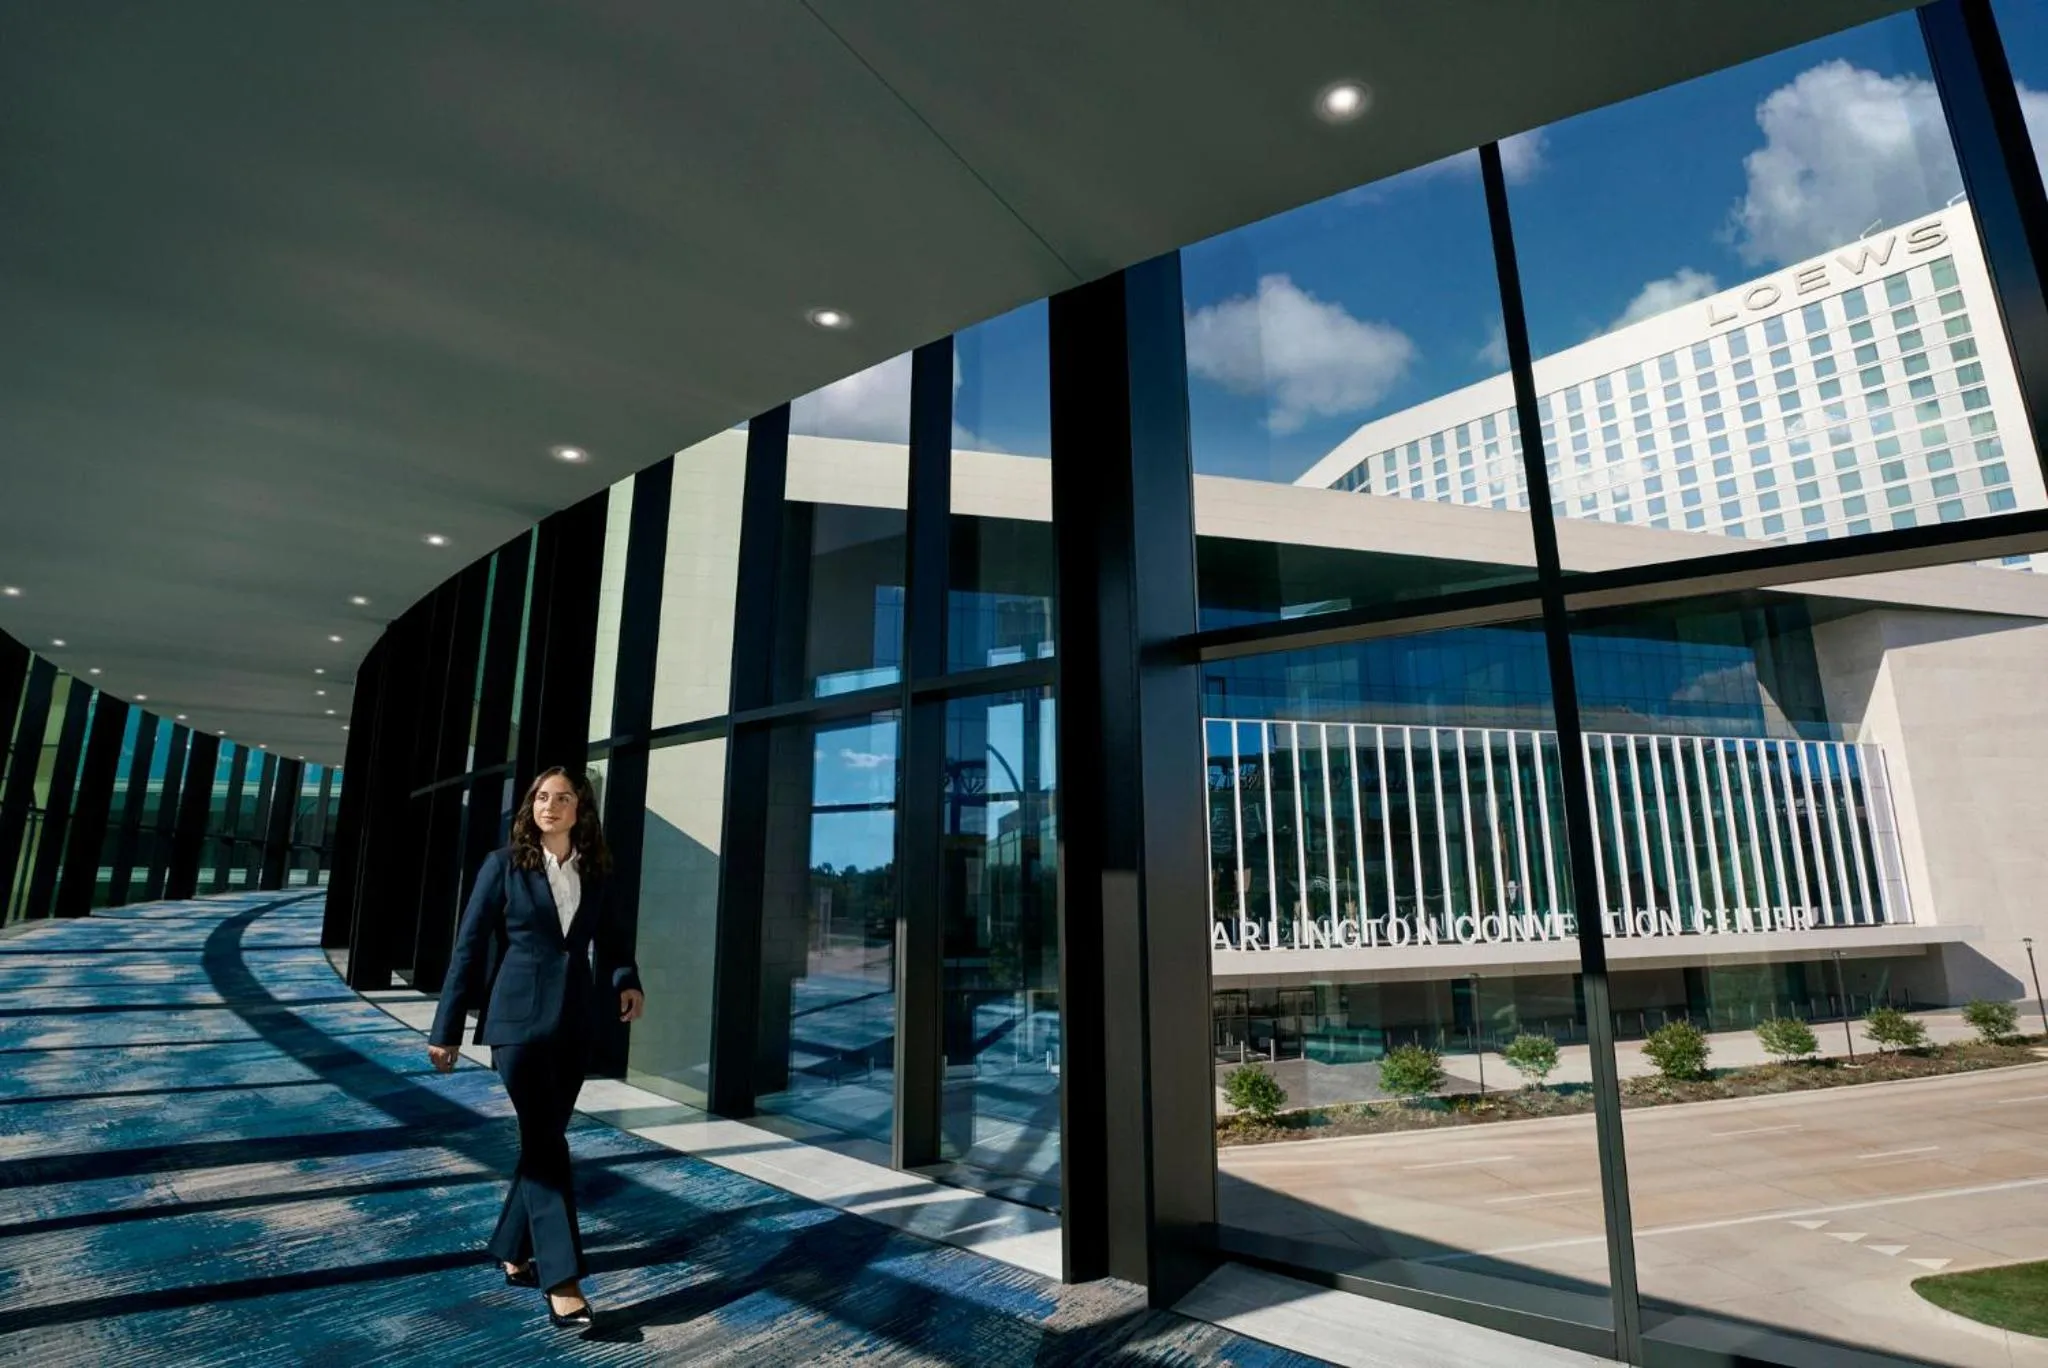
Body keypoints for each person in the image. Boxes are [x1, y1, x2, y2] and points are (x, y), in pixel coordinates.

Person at [428, 766, 645, 1329]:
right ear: (531, 807)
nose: (551, 805)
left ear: (580, 810)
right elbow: (469, 947)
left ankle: (512, 1246)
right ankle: (563, 1279)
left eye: (563, 798)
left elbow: (615, 937)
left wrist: (627, 979)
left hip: (575, 1023)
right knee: (546, 1143)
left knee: (545, 1141)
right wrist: (446, 1028)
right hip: (516, 1024)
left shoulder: (596, 870)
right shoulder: (503, 866)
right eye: (542, 797)